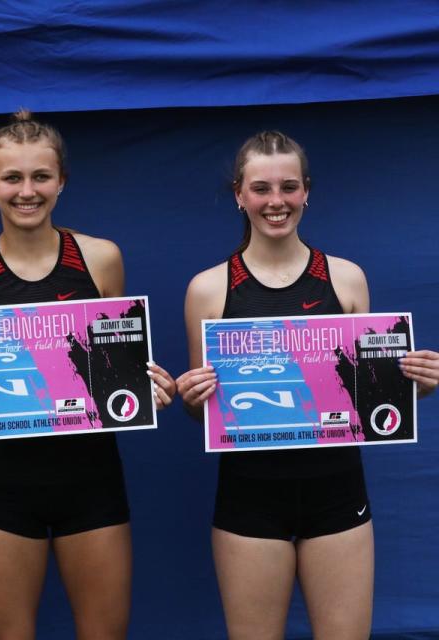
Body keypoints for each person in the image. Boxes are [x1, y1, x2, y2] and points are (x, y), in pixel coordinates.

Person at [0, 111, 178, 639]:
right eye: (12, 178)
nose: (27, 191)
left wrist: (148, 385)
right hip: (3, 487)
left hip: (93, 481)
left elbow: (117, 364)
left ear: (62, 181)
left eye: (41, 177)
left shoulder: (100, 259)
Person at [176, 131, 439, 640]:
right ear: (239, 194)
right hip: (248, 498)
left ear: (306, 192)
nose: (276, 201)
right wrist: (193, 397)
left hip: (337, 494)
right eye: (261, 188)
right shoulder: (207, 289)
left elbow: (375, 393)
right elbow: (203, 414)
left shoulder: (346, 279)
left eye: (289, 187)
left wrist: (415, 386)